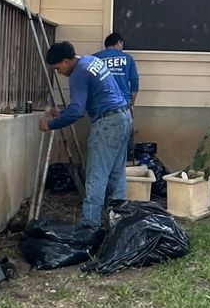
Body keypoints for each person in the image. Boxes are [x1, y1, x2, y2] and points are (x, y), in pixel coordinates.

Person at [38, 40, 132, 230]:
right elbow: (87, 103)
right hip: (123, 117)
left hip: (107, 124)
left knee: (96, 175)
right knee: (116, 173)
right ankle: (119, 222)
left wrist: (51, 124)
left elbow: (76, 112)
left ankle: (90, 226)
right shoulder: (90, 61)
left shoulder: (78, 74)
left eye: (58, 68)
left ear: (66, 61)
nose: (59, 72)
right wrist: (63, 112)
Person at [97, 32, 140, 108]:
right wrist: (132, 104)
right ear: (119, 43)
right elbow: (134, 81)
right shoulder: (128, 58)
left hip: (101, 103)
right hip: (123, 102)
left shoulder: (95, 58)